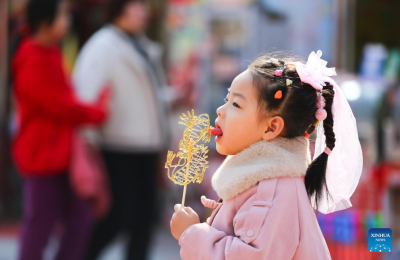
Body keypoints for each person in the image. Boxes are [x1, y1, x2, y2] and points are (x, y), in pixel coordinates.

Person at [170, 51, 363, 259]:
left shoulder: (272, 189)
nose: (220, 110)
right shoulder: (267, 181)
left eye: (236, 104)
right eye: (227, 99)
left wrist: (190, 234)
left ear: (272, 127)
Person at [72, 0, 172, 259]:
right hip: (116, 146)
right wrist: (89, 145)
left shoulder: (139, 43)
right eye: (136, 5)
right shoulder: (103, 45)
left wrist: (172, 98)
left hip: (145, 146)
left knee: (143, 221)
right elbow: (85, 96)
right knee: (116, 219)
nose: (144, 11)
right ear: (119, 7)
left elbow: (146, 95)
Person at [11, 0, 110, 259]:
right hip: (42, 156)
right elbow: (62, 105)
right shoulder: (32, 57)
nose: (67, 21)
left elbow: (65, 102)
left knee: (78, 220)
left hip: (61, 155)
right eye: (62, 16)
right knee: (40, 226)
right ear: (45, 22)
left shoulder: (50, 52)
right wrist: (98, 110)